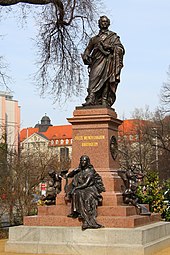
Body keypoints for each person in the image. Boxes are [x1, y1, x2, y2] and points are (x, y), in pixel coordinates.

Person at [82, 16, 125, 107]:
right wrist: (85, 55)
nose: (104, 23)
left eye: (105, 22)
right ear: (99, 23)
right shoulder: (94, 39)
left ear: (108, 23)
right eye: (102, 22)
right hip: (96, 62)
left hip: (108, 61)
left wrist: (109, 47)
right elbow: (88, 49)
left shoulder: (113, 37)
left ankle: (104, 99)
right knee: (93, 80)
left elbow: (120, 48)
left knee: (106, 80)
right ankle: (91, 97)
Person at [66, 155, 105, 230]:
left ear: (87, 162)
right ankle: (75, 212)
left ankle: (87, 220)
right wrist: (75, 170)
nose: (82, 162)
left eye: (84, 160)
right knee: (76, 193)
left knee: (86, 198)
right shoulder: (80, 170)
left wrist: (76, 188)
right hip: (81, 188)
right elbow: (69, 176)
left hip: (90, 189)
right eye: (81, 160)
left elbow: (86, 184)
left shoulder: (90, 171)